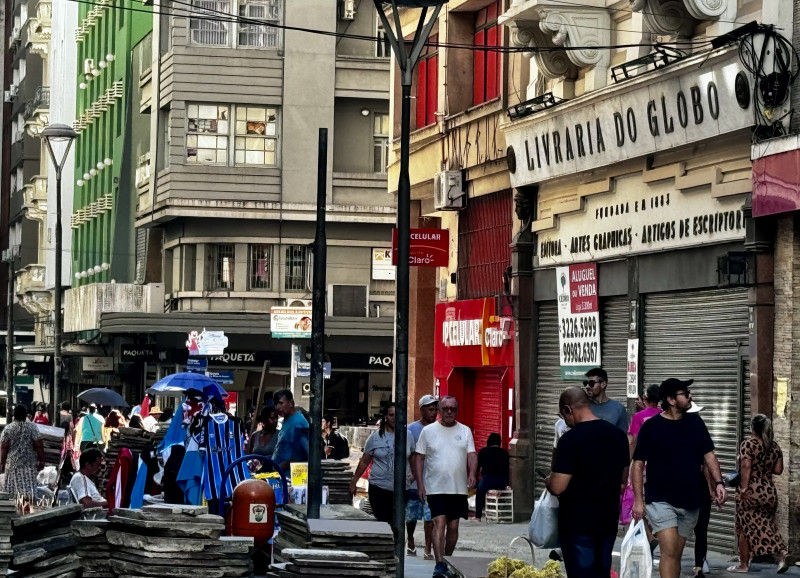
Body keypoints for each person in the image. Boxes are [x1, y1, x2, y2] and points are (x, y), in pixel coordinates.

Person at [631, 378, 727, 578]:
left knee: (675, 553)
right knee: (669, 550)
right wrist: (639, 501)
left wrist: (719, 483)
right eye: (685, 393)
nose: (690, 396)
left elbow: (709, 454)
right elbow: (638, 463)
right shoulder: (651, 427)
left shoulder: (695, 422)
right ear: (671, 400)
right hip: (659, 498)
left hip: (690, 500)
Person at [545, 388, 629, 577]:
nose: (565, 420)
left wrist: (548, 481)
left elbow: (558, 485)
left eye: (563, 414)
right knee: (601, 573)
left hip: (577, 523)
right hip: (607, 521)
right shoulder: (618, 436)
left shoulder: (570, 439)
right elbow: (623, 478)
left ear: (568, 409)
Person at [413, 395, 477, 578]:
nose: (449, 411)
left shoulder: (465, 431)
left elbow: (472, 454)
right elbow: (419, 457)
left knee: (454, 525)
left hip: (457, 487)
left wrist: (472, 473)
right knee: (438, 522)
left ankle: (448, 560)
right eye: (446, 408)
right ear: (439, 410)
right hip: (435, 486)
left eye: (453, 409)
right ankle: (439, 564)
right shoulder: (429, 431)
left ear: (457, 411)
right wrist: (420, 484)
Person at [729, 414, 792, 573]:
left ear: (752, 428)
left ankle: (744, 565)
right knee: (766, 525)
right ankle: (782, 554)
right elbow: (778, 470)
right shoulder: (775, 446)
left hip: (752, 491)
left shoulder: (748, 445)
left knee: (744, 527)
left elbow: (746, 467)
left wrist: (743, 489)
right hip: (769, 491)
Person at [349, 404, 413, 525]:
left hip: (402, 489)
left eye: (397, 415)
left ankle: (396, 543)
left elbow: (414, 459)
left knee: (397, 523)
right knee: (384, 522)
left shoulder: (408, 436)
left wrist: (413, 477)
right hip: (379, 488)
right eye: (391, 415)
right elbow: (364, 461)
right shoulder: (375, 438)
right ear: (385, 417)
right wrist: (354, 481)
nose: (394, 418)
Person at [406, 395, 438, 560]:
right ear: (422, 410)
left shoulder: (439, 429)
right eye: (430, 410)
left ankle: (428, 547)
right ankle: (410, 540)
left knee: (429, 517)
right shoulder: (411, 430)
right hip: (413, 482)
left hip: (432, 482)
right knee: (411, 517)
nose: (434, 413)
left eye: (435, 410)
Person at [0, 404, 45, 503]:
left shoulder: (8, 429)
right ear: (25, 415)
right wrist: (42, 460)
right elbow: (39, 445)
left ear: (14, 415)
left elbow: (4, 447)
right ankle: (27, 511)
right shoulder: (32, 427)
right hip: (29, 465)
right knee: (28, 493)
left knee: (11, 493)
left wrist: (2, 463)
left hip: (12, 465)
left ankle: (12, 510)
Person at [271, 389, 309, 472]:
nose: (277, 407)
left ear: (291, 403)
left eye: (281, 403)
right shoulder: (287, 420)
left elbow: (302, 453)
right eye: (276, 404)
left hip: (291, 477)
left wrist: (281, 467)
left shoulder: (298, 422)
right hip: (280, 474)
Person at [475, 433, 509, 521]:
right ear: (499, 442)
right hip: (502, 481)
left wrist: (475, 480)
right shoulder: (505, 453)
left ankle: (478, 516)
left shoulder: (483, 452)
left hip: (487, 480)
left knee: (479, 492)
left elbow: (477, 467)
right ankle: (502, 513)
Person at [583, 368, 628, 432]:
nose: (587, 387)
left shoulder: (619, 409)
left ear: (603, 384)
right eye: (585, 383)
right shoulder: (583, 407)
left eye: (591, 383)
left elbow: (622, 437)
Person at [628, 383, 662, 457]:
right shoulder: (664, 414)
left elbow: (633, 442)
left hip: (643, 463)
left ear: (645, 397)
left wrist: (629, 463)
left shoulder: (638, 416)